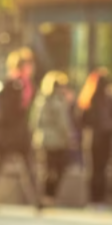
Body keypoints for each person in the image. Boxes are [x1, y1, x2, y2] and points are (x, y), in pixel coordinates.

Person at [0, 49, 39, 211]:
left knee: (27, 166)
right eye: (29, 64)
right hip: (7, 134)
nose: (32, 67)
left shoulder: (25, 84)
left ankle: (37, 201)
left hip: (18, 133)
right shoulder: (11, 84)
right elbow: (8, 111)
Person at [78, 68, 112, 209]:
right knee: (101, 169)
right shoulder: (109, 99)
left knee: (94, 169)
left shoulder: (89, 98)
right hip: (105, 138)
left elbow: (80, 119)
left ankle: (94, 199)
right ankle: (99, 199)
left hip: (93, 138)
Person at [30, 71, 75, 208]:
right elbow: (63, 123)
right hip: (57, 141)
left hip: (42, 140)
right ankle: (49, 196)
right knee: (57, 169)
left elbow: (33, 122)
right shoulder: (57, 101)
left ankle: (45, 196)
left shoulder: (40, 99)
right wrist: (70, 137)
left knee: (47, 169)